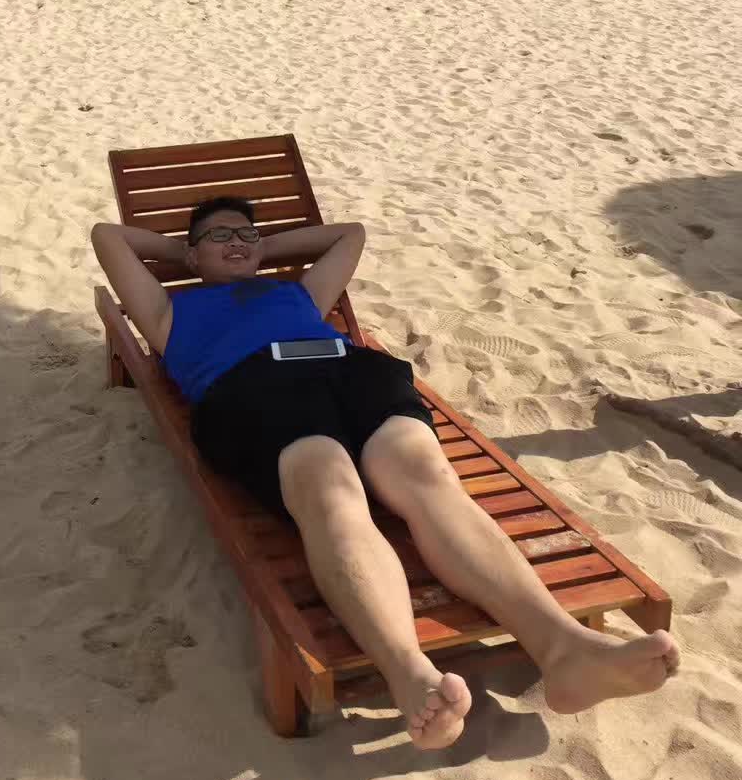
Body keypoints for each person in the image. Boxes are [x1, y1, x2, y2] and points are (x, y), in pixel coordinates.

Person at [91, 197, 680, 750]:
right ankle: (409, 673)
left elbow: (350, 235)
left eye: (247, 233)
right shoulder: (169, 311)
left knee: (429, 480)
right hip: (253, 392)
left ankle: (565, 648)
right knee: (331, 493)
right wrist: (189, 252)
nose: (237, 241)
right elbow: (108, 236)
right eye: (219, 235)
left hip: (354, 373)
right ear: (190, 256)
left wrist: (253, 248)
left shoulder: (299, 294)